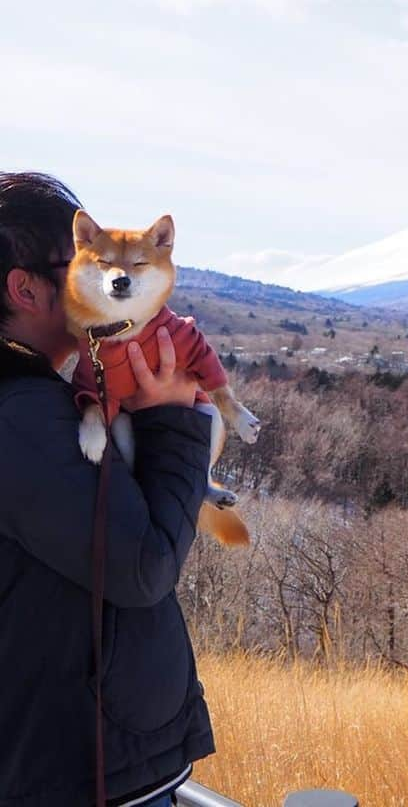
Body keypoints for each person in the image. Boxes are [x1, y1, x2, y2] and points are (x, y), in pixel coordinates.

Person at [0, 173, 215, 807]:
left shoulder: (33, 404)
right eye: (80, 260)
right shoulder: (23, 420)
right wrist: (174, 418)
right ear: (27, 288)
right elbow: (143, 566)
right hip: (81, 771)